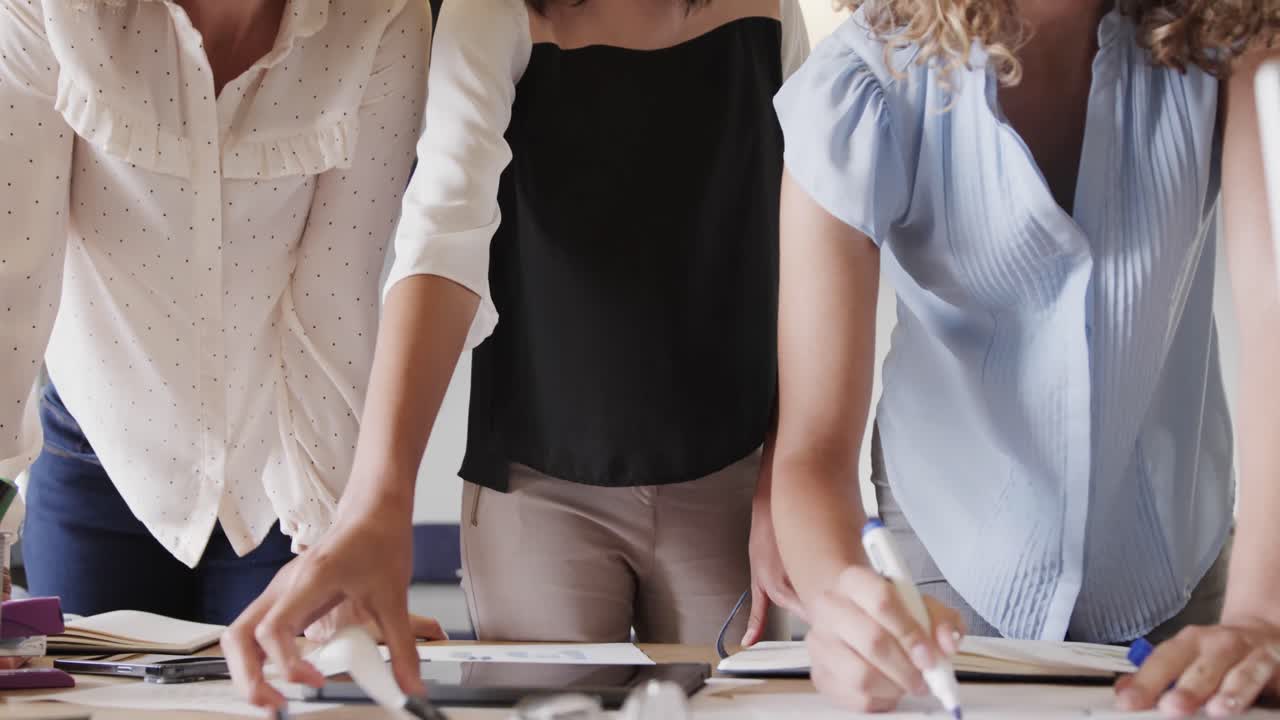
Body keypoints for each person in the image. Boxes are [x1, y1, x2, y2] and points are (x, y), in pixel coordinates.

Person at [223, 0, 810, 707]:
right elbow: (442, 235)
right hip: (539, 492)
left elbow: (813, 252)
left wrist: (795, 472)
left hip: (735, 484)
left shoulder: (772, 13)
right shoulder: (493, 9)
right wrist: (375, 501)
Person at [765, 0, 1279, 715]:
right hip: (947, 571)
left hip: (1175, 564)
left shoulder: (1232, 39)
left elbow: (1276, 329)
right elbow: (811, 453)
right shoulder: (861, 82)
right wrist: (842, 605)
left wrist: (1262, 617)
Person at [0, 0, 441, 630]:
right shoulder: (49, 9)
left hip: (284, 479)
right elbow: (11, 281)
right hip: (98, 458)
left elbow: (335, 301)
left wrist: (332, 535)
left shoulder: (381, 16)